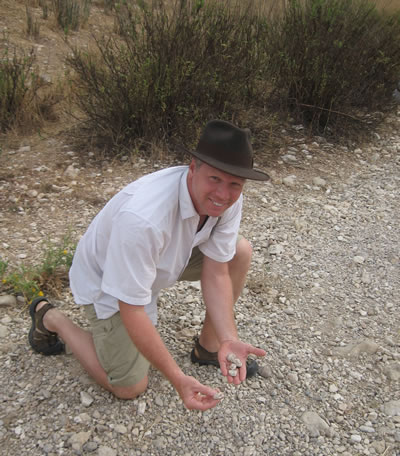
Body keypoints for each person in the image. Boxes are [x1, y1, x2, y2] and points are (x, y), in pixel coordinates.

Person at [28, 119, 269, 411]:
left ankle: (210, 347)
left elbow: (217, 271)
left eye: (234, 183)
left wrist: (230, 338)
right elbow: (131, 308)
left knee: (238, 252)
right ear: (193, 168)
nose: (223, 194)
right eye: (215, 179)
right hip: (107, 277)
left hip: (163, 259)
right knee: (129, 386)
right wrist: (178, 379)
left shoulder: (226, 198)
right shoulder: (143, 218)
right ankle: (51, 318)